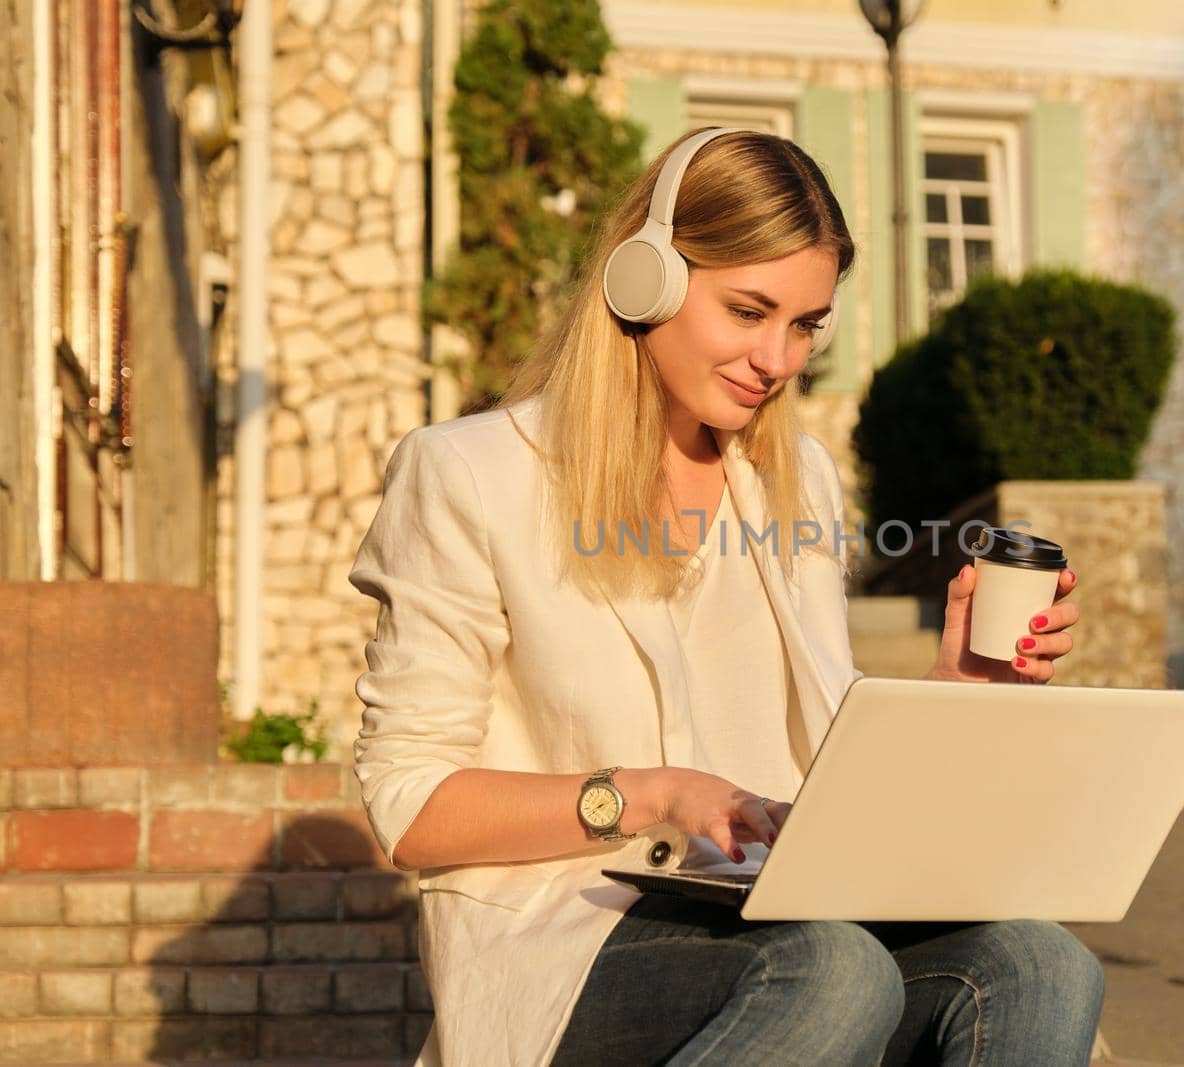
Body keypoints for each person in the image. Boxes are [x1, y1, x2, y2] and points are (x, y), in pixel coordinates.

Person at [348, 127, 1101, 1067]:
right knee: (832, 970)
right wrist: (647, 792)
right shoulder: (471, 474)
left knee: (1040, 964)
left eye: (805, 325)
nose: (777, 358)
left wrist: (962, 685)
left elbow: (819, 770)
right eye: (749, 311)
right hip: (568, 938)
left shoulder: (797, 481)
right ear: (645, 278)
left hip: (775, 918)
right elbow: (410, 803)